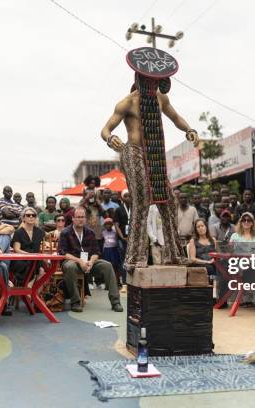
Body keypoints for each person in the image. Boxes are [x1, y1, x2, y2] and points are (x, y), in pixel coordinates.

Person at [100, 48, 198, 270]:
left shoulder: (161, 99)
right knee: (142, 201)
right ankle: (135, 256)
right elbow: (105, 129)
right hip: (133, 152)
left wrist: (189, 129)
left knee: (169, 201)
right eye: (150, 81)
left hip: (155, 153)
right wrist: (111, 139)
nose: (153, 86)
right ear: (140, 78)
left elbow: (175, 117)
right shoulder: (127, 103)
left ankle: (174, 254)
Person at [58, 207, 122, 313]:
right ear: (73, 219)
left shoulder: (90, 233)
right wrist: (79, 261)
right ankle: (75, 302)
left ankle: (115, 302)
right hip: (73, 261)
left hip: (88, 262)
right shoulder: (65, 232)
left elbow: (96, 252)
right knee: (70, 266)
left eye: (83, 217)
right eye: (78, 217)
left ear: (85, 219)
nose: (81, 219)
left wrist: (91, 262)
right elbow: (63, 253)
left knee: (107, 265)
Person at [11, 207, 45, 284]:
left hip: (36, 259)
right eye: (28, 215)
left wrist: (56, 232)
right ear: (23, 218)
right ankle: (27, 291)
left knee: (43, 271)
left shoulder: (40, 231)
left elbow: (49, 236)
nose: (31, 217)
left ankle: (32, 292)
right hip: (22, 259)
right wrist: (29, 255)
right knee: (29, 267)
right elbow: (17, 249)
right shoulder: (18, 232)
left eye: (33, 215)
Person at [101, 218, 121, 285]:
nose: (108, 225)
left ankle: (117, 282)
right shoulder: (103, 233)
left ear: (112, 224)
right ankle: (108, 283)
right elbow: (102, 242)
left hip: (114, 250)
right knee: (107, 266)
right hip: (106, 251)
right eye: (106, 224)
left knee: (115, 266)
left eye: (109, 224)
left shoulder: (115, 232)